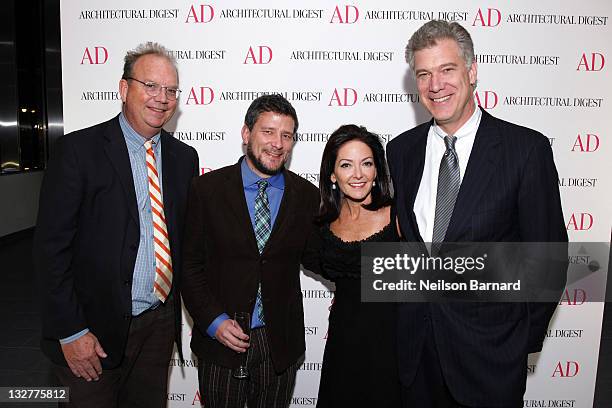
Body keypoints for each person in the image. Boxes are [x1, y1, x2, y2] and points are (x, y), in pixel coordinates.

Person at [386, 20, 567, 407]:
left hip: (490, 362)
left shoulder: (524, 150)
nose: (436, 85)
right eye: (424, 74)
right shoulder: (401, 151)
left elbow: (549, 262)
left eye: (447, 69)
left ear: (471, 71)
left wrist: (515, 342)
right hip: (416, 359)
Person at [33, 42, 199, 407]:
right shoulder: (78, 151)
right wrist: (71, 331)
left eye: (171, 90)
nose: (162, 98)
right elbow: (50, 249)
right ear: (124, 89)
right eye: (151, 86)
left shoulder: (183, 158)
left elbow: (182, 239)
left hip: (156, 326)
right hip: (92, 330)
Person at [181, 94, 320, 408]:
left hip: (279, 344)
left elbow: (319, 256)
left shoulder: (306, 195)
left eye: (287, 135)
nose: (277, 143)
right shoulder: (206, 190)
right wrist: (214, 322)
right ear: (246, 134)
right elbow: (189, 267)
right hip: (221, 342)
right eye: (268, 132)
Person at [315, 125, 401, 407]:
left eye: (366, 163)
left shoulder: (399, 217)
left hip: (393, 348)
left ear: (377, 170)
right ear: (332, 174)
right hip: (343, 346)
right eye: (346, 165)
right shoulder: (324, 225)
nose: (358, 174)